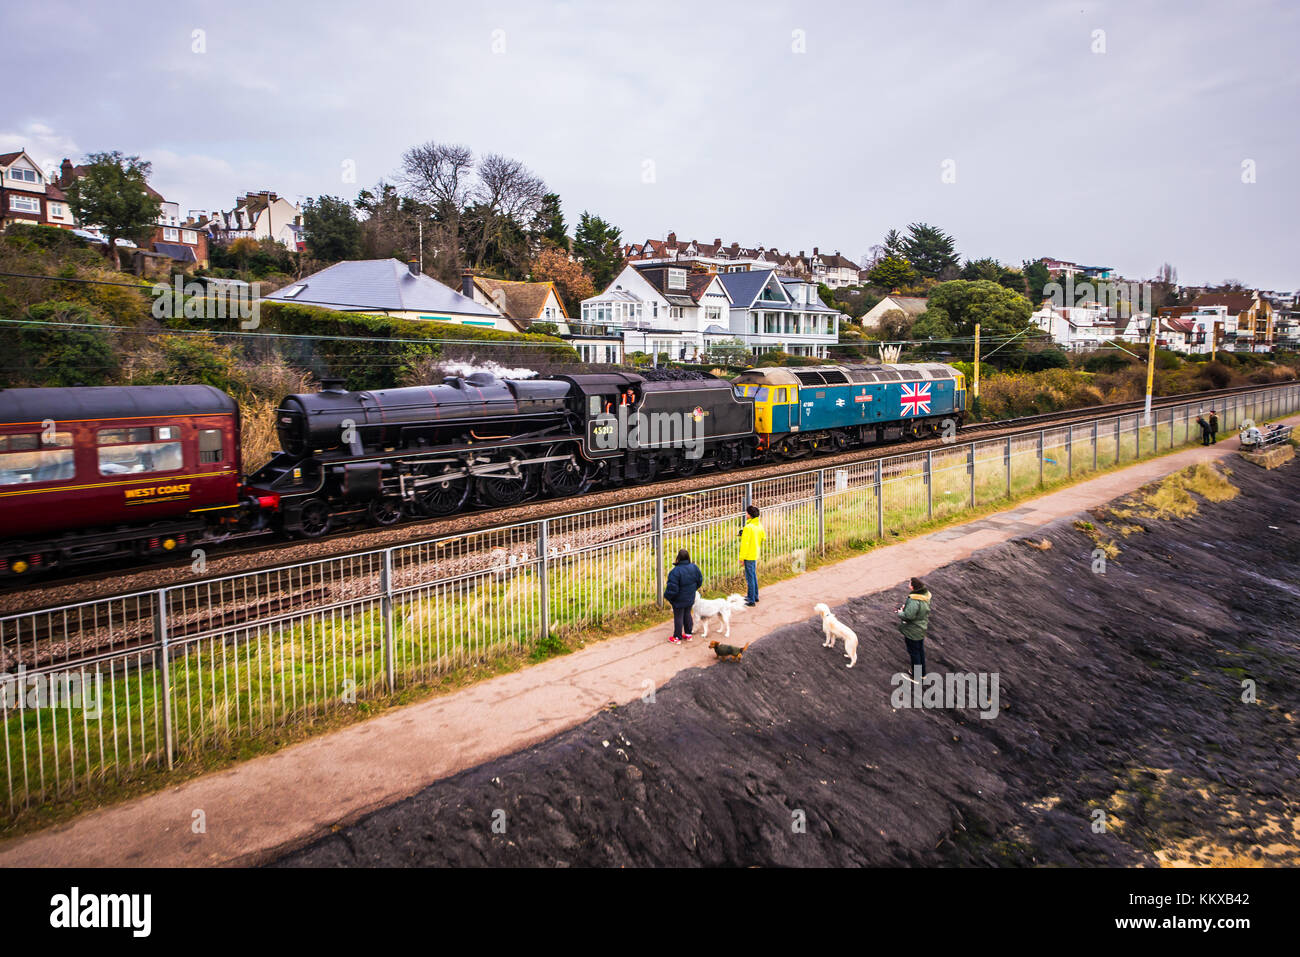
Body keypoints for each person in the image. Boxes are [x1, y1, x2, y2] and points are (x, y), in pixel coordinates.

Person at [663, 548, 704, 644]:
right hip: (690, 596)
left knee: (678, 617)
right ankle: (689, 634)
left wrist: (668, 597)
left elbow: (672, 589)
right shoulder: (694, 568)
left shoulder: (675, 572)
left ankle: (677, 637)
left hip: (679, 599)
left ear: (678, 558)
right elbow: (699, 581)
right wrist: (692, 590)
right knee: (687, 614)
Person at [896, 577, 932, 681]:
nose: (909, 584)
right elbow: (917, 611)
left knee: (914, 653)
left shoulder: (914, 600)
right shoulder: (925, 596)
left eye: (910, 582)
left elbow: (908, 616)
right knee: (920, 651)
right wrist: (907, 608)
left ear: (913, 586)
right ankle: (922, 673)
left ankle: (916, 677)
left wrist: (900, 612)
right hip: (921, 628)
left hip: (912, 630)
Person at [738, 504, 765, 607]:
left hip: (748, 555)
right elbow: (763, 537)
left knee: (749, 577)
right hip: (755, 553)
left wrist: (741, 558)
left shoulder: (748, 528)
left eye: (746, 513)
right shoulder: (758, 525)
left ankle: (751, 599)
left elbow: (745, 545)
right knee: (753, 575)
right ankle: (755, 596)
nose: (746, 514)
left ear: (749, 515)